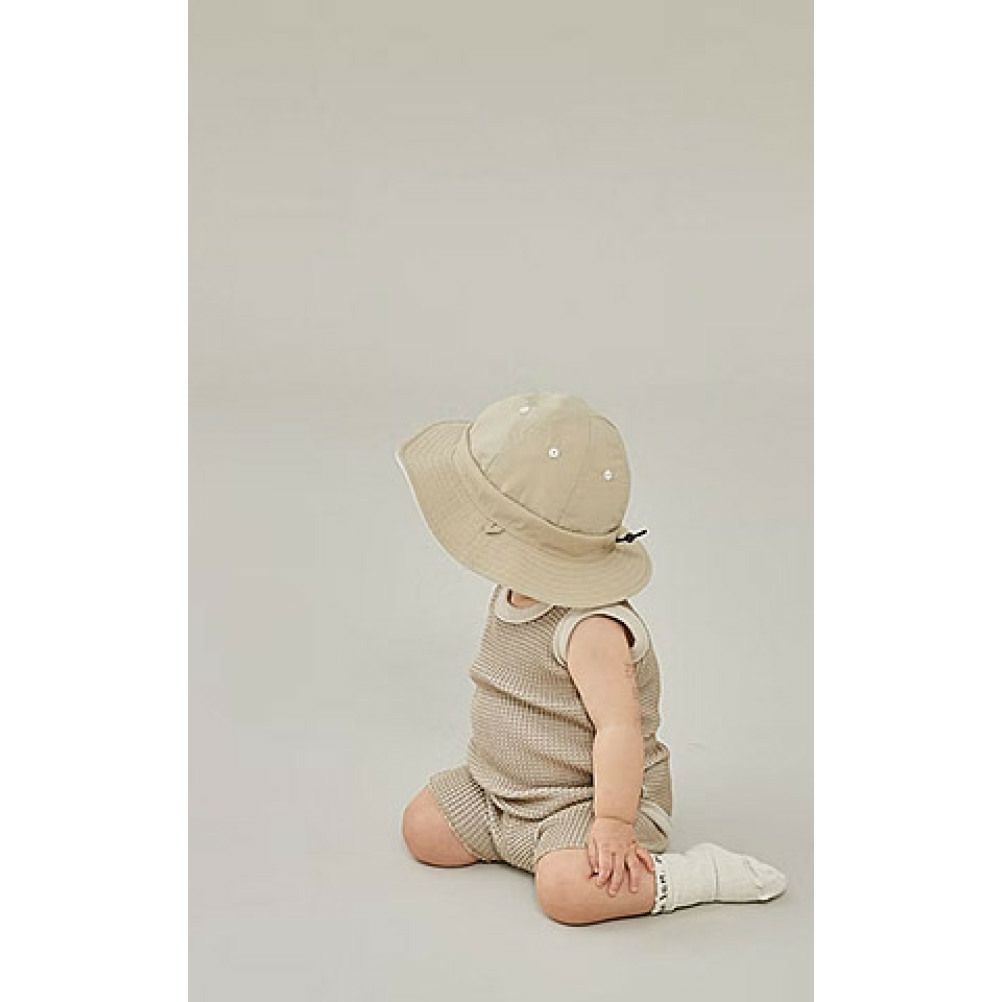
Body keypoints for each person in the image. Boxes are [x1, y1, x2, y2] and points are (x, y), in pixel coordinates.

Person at [396, 391, 787, 925]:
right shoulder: (513, 587)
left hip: (584, 802)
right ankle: (522, 840)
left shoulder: (591, 627)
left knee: (565, 893)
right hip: (500, 791)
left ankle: (695, 876)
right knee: (422, 827)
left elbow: (619, 729)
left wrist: (613, 822)